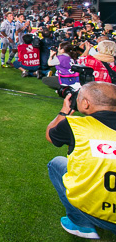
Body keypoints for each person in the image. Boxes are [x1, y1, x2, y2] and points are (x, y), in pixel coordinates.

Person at [46, 82, 116, 239]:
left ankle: (80, 223)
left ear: (85, 103)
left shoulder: (75, 125)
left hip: (99, 214)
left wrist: (65, 111)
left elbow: (50, 135)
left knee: (56, 163)